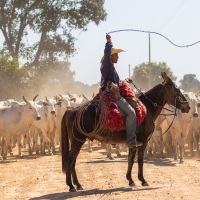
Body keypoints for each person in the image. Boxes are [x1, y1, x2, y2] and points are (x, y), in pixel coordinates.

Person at [100, 33, 143, 148]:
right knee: (132, 113)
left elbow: (116, 81)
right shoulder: (108, 64)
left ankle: (117, 137)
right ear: (111, 56)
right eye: (116, 55)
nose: (118, 57)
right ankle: (130, 140)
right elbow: (106, 52)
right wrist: (109, 41)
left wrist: (125, 81)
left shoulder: (111, 68)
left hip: (111, 93)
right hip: (113, 96)